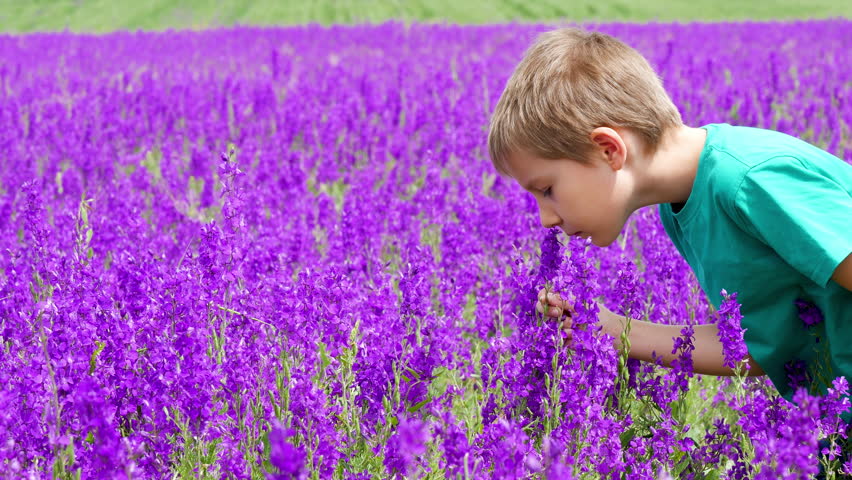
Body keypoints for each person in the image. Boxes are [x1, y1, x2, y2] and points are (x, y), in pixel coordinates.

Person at [486, 28, 852, 409]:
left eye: (546, 189)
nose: (545, 219)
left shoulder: (750, 181)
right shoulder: (681, 208)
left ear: (608, 149)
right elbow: (757, 346)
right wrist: (609, 330)